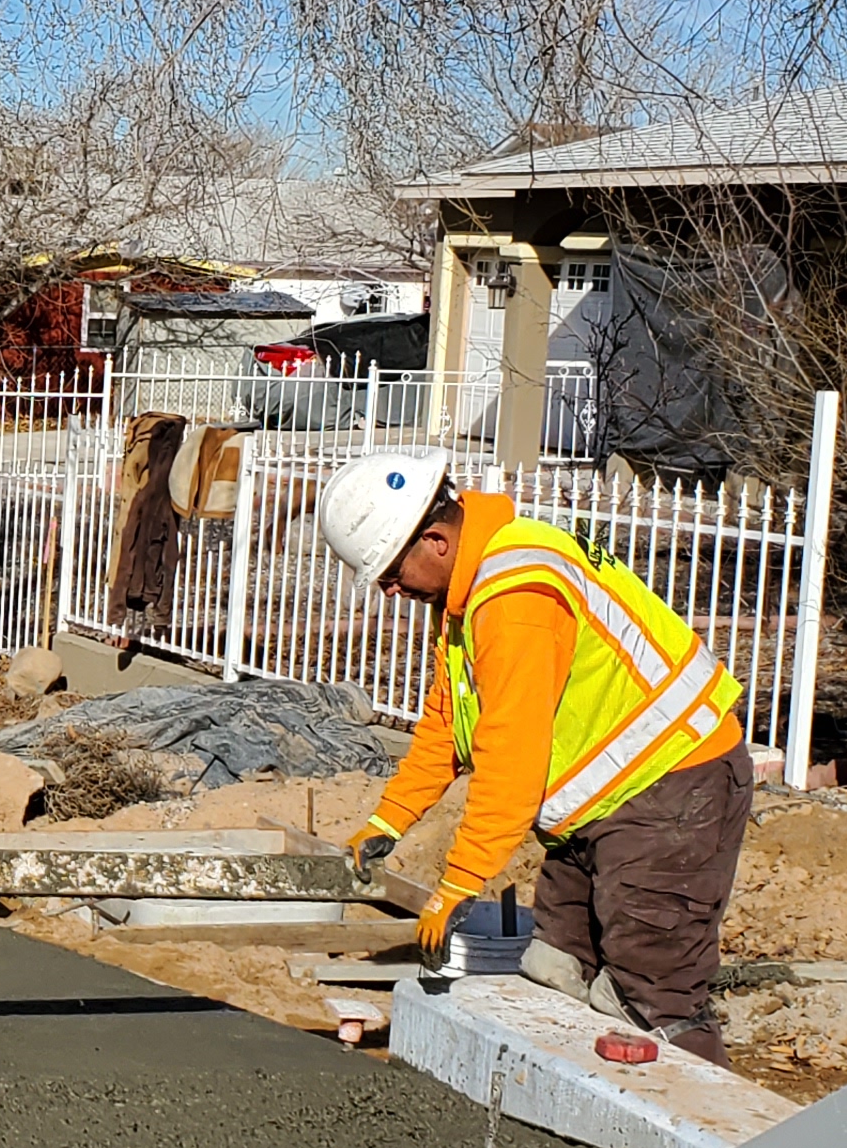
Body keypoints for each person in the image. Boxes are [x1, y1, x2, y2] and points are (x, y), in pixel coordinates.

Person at [318, 449, 751, 1061]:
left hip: (672, 788)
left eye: (391, 571)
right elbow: (448, 721)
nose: (391, 590)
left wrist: (460, 881)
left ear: (436, 541)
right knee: (556, 966)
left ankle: (714, 1140)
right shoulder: (474, 593)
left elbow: (510, 754)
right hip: (604, 800)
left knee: (650, 995)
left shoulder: (516, 594)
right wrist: (388, 821)